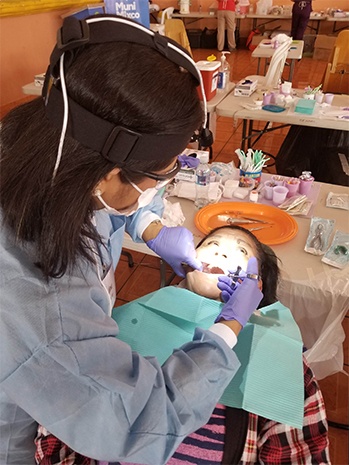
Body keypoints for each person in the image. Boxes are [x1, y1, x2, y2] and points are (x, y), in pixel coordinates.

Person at [0, 14, 264, 465]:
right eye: (162, 176)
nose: (160, 189)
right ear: (106, 174)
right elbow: (137, 422)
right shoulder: (46, 313)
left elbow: (105, 200)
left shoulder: (48, 142)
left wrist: (151, 228)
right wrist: (225, 331)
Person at [35, 226, 330, 465]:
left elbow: (300, 454)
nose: (222, 252)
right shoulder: (113, 328)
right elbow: (57, 431)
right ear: (185, 264)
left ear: (257, 286)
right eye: (212, 245)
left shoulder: (281, 361)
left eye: (240, 252)